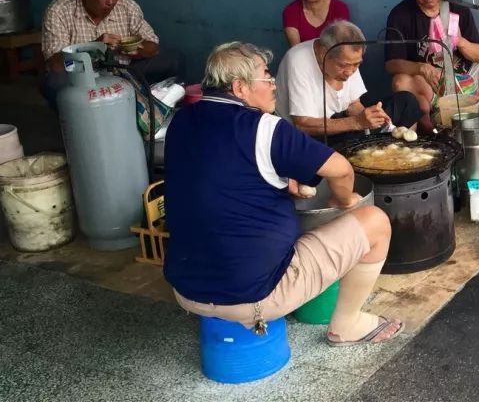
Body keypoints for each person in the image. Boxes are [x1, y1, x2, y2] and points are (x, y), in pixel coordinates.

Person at [164, 42, 403, 345]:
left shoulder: (182, 120)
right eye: (267, 78)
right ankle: (348, 325)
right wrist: (344, 202)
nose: (274, 85)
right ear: (240, 87)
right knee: (376, 222)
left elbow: (218, 174)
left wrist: (284, 183)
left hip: (185, 289)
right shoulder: (265, 127)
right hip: (255, 297)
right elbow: (342, 170)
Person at [41, 0, 180, 108]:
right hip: (82, 78)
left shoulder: (127, 6)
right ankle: (79, 121)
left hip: (125, 72)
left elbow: (153, 46)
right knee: (54, 82)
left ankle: (153, 109)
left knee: (174, 60)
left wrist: (136, 49)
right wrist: (94, 47)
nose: (111, 2)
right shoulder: (59, 10)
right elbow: (55, 65)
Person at [277, 20, 421, 143]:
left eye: (357, 64)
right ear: (323, 52)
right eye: (343, 65)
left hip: (343, 123)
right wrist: (357, 123)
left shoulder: (349, 59)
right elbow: (303, 125)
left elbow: (352, 104)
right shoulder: (297, 60)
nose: (350, 72)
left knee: (406, 102)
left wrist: (371, 119)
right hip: (310, 136)